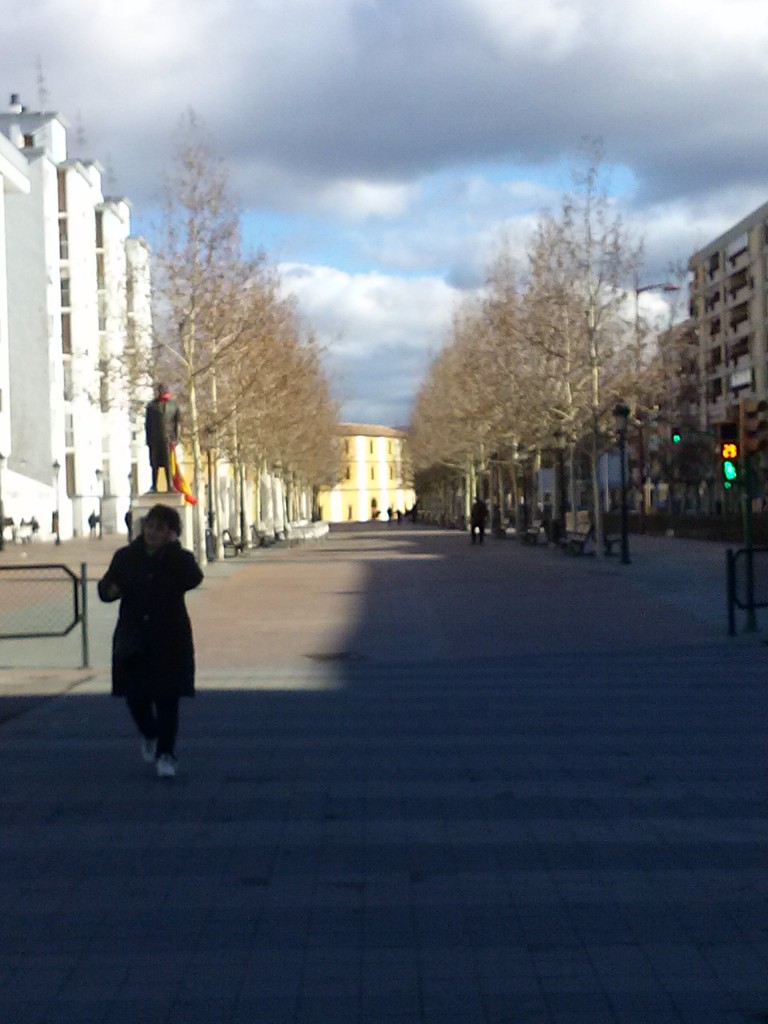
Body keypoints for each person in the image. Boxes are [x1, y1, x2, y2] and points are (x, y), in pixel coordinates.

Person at [97, 504, 203, 779]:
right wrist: (110, 589)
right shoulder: (126, 556)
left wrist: (174, 552)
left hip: (169, 636)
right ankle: (149, 732)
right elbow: (107, 588)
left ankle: (166, 754)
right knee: (135, 696)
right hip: (134, 636)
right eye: (150, 526)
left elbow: (194, 577)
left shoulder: (179, 559)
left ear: (170, 532)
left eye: (160, 528)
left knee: (168, 698)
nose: (153, 532)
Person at [145, 382, 181, 492]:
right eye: (159, 390)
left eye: (162, 389)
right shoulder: (151, 406)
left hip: (168, 439)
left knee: (168, 463)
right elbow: (147, 424)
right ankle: (154, 485)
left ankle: (170, 485)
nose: (160, 392)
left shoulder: (173, 405)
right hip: (155, 439)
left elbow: (177, 423)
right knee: (154, 463)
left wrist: (176, 438)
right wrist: (148, 439)